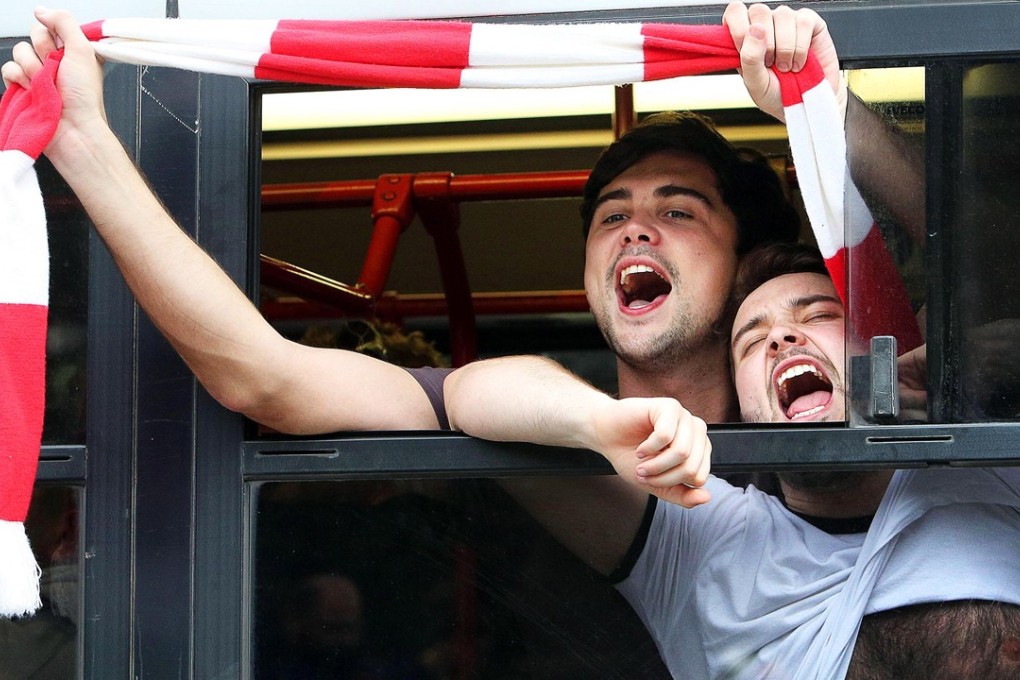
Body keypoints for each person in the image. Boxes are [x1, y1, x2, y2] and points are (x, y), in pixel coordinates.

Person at [603, 243, 1020, 679]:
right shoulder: (703, 539)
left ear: (883, 355)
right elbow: (522, 402)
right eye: (752, 342)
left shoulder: (993, 463)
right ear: (742, 407)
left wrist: (982, 360)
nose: (782, 338)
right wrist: (616, 422)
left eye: (819, 316)